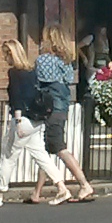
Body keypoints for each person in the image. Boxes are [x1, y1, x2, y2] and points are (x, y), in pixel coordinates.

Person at [0, 35, 65, 205]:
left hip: (23, 121)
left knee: (8, 157)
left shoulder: (14, 73)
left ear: (11, 55)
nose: (4, 58)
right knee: (41, 156)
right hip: (36, 121)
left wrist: (18, 121)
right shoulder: (31, 71)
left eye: (5, 55)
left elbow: (17, 98)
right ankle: (62, 188)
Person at [36, 28, 96, 201]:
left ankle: (84, 184)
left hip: (50, 107)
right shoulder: (66, 61)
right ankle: (36, 192)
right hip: (62, 106)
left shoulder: (44, 60)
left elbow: (39, 82)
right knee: (46, 150)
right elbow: (67, 80)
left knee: (58, 147)